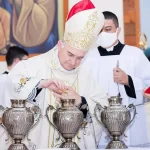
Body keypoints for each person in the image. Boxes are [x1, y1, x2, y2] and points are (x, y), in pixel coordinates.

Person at [0, 0, 108, 149]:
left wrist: (80, 100)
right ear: (60, 45)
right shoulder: (33, 66)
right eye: (70, 54)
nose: (73, 62)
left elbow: (102, 109)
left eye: (80, 58)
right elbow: (11, 83)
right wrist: (39, 84)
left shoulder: (86, 76)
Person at [82, 11, 150, 147]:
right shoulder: (88, 58)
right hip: (99, 121)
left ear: (118, 30)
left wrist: (128, 81)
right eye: (100, 30)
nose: (103, 34)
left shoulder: (134, 54)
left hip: (131, 121)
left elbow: (148, 86)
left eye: (108, 29)